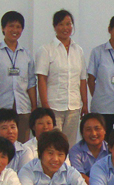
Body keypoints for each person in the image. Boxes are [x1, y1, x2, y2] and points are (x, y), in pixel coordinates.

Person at [0, 11, 36, 142]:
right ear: (3, 28)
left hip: (22, 107)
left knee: (22, 144)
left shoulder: (26, 54)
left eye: (18, 27)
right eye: (11, 26)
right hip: (0, 106)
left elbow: (31, 83)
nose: (15, 30)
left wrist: (34, 106)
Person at [37, 9, 88, 143]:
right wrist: (45, 106)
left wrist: (85, 104)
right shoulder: (46, 49)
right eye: (61, 24)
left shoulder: (78, 50)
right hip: (53, 106)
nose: (65, 28)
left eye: (68, 24)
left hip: (74, 106)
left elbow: (82, 79)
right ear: (55, 27)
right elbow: (41, 79)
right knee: (52, 143)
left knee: (69, 144)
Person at [69, 112, 110, 182]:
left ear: (104, 130)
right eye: (88, 129)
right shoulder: (75, 151)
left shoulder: (111, 149)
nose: (93, 133)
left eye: (97, 128)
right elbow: (78, 176)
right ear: (82, 132)